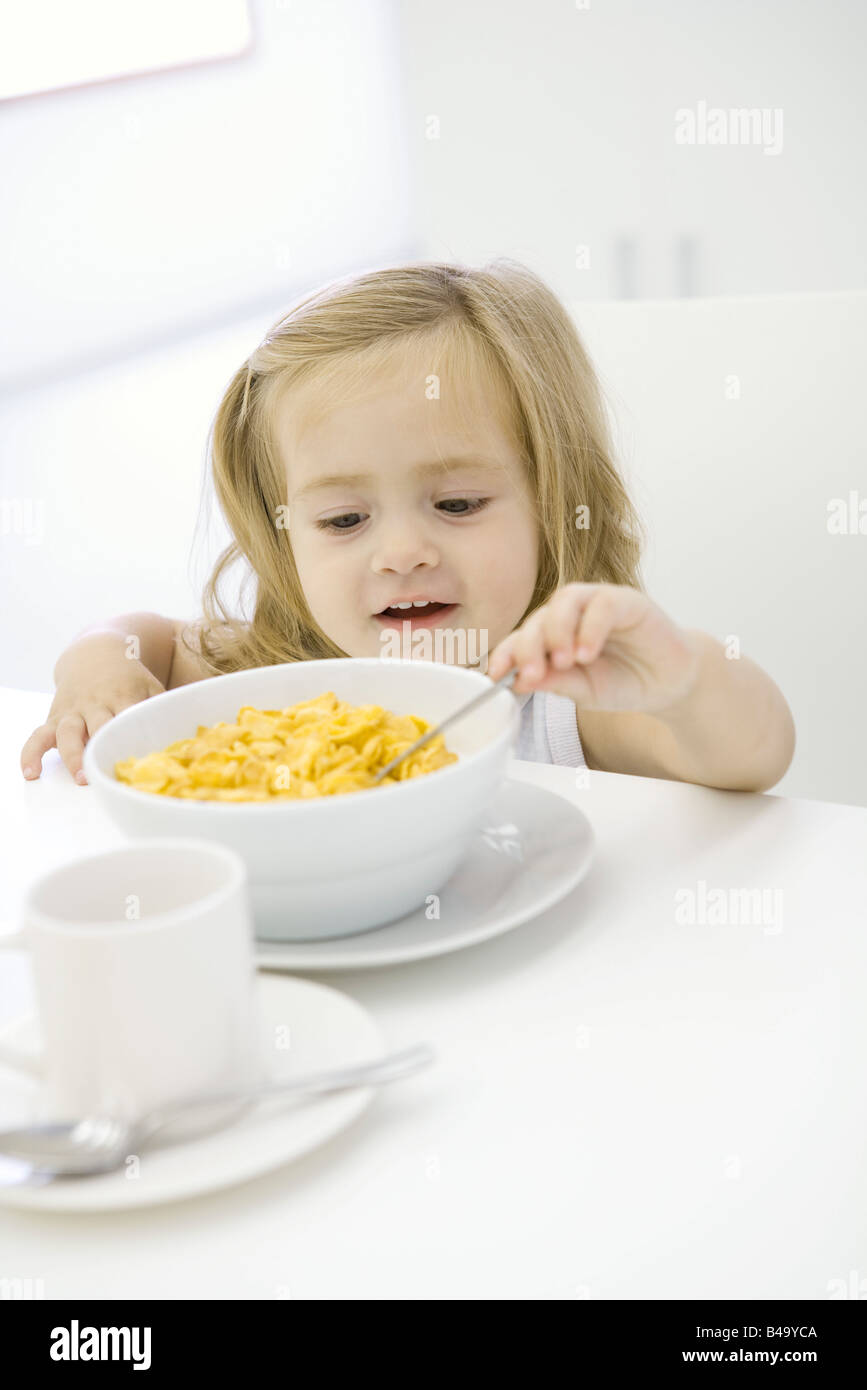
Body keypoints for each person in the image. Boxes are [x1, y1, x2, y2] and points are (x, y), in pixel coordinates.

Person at [19, 258, 795, 791]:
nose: (400, 554)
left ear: (552, 500)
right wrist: (94, 668)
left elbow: (752, 757)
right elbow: (137, 635)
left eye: (456, 505)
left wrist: (685, 681)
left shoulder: (566, 703)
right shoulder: (273, 680)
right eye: (344, 518)